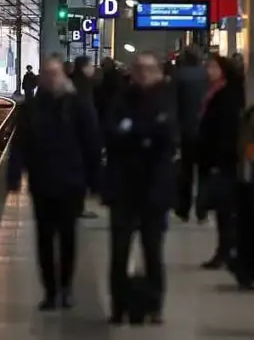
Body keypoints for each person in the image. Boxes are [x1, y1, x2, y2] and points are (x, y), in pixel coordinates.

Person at [7, 54, 102, 310]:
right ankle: (51, 291)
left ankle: (66, 287)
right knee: (45, 238)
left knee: (68, 236)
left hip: (72, 181)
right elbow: (20, 143)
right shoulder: (32, 108)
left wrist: (96, 180)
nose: (51, 78)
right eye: (46, 73)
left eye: (55, 73)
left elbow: (92, 143)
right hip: (42, 181)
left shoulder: (78, 106)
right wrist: (14, 175)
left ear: (63, 75)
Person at [104, 52, 177, 326]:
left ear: (158, 73)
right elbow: (111, 132)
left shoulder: (166, 99)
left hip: (155, 190)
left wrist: (132, 131)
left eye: (149, 69)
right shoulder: (122, 99)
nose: (144, 74)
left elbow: (167, 135)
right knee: (119, 253)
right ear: (133, 73)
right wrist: (146, 133)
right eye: (140, 69)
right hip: (123, 188)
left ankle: (155, 305)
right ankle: (118, 306)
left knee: (153, 251)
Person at [196, 55, 245, 270]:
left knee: (225, 208)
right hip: (214, 156)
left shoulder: (226, 94)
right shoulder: (216, 91)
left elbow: (226, 128)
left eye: (213, 67)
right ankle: (225, 249)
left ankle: (226, 251)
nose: (209, 70)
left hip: (222, 158)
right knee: (222, 208)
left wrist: (218, 158)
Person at [173, 46, 209, 222]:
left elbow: (174, 104)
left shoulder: (179, 76)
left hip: (186, 129)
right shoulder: (207, 75)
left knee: (185, 171)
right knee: (204, 171)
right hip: (205, 129)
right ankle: (202, 210)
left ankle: (183, 209)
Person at [71, 56, 101, 218]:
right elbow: (86, 113)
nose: (93, 69)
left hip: (78, 137)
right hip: (82, 137)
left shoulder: (77, 83)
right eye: (90, 66)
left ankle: (76, 207)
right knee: (80, 175)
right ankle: (77, 208)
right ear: (83, 68)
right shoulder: (83, 86)